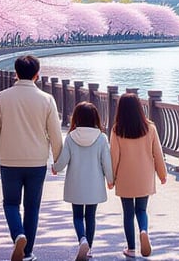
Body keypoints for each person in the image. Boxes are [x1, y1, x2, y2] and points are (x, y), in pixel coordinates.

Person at [0, 55, 62, 261]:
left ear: (16, 73)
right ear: (37, 75)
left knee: (10, 203)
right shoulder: (47, 99)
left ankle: (18, 234)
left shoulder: (2, 97)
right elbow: (55, 133)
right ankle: (27, 252)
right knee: (32, 207)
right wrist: (58, 160)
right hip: (37, 161)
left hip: (10, 160)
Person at [52, 102, 113, 261]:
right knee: (91, 216)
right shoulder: (101, 138)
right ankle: (89, 248)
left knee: (78, 216)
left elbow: (63, 160)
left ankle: (82, 239)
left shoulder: (71, 137)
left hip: (75, 184)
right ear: (95, 118)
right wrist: (111, 180)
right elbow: (106, 162)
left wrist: (55, 168)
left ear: (76, 118)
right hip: (94, 185)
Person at [110, 93, 167, 258]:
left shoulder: (117, 129)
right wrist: (162, 174)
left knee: (128, 213)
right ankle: (143, 230)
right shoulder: (150, 128)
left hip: (125, 177)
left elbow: (114, 157)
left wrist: (111, 178)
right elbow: (158, 154)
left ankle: (131, 248)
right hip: (144, 177)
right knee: (141, 210)